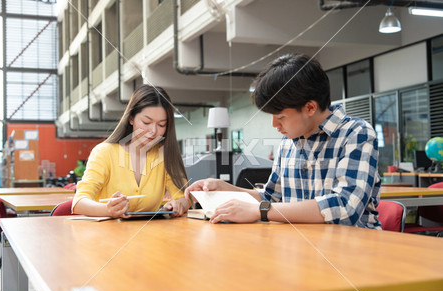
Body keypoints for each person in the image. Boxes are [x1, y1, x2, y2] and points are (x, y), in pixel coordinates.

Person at [185, 53, 381, 229]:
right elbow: (271, 197)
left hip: (352, 250)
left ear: (310, 108)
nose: (274, 125)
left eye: (280, 117)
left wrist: (260, 211)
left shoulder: (356, 134)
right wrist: (226, 189)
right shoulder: (289, 142)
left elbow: (344, 208)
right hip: (301, 246)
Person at [72, 85, 190, 218]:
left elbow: (184, 197)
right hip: (107, 234)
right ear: (131, 119)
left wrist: (179, 204)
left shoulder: (164, 154)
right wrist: (108, 210)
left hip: (151, 235)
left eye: (161, 124)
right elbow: (79, 202)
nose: (153, 131)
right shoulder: (104, 152)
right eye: (146, 122)